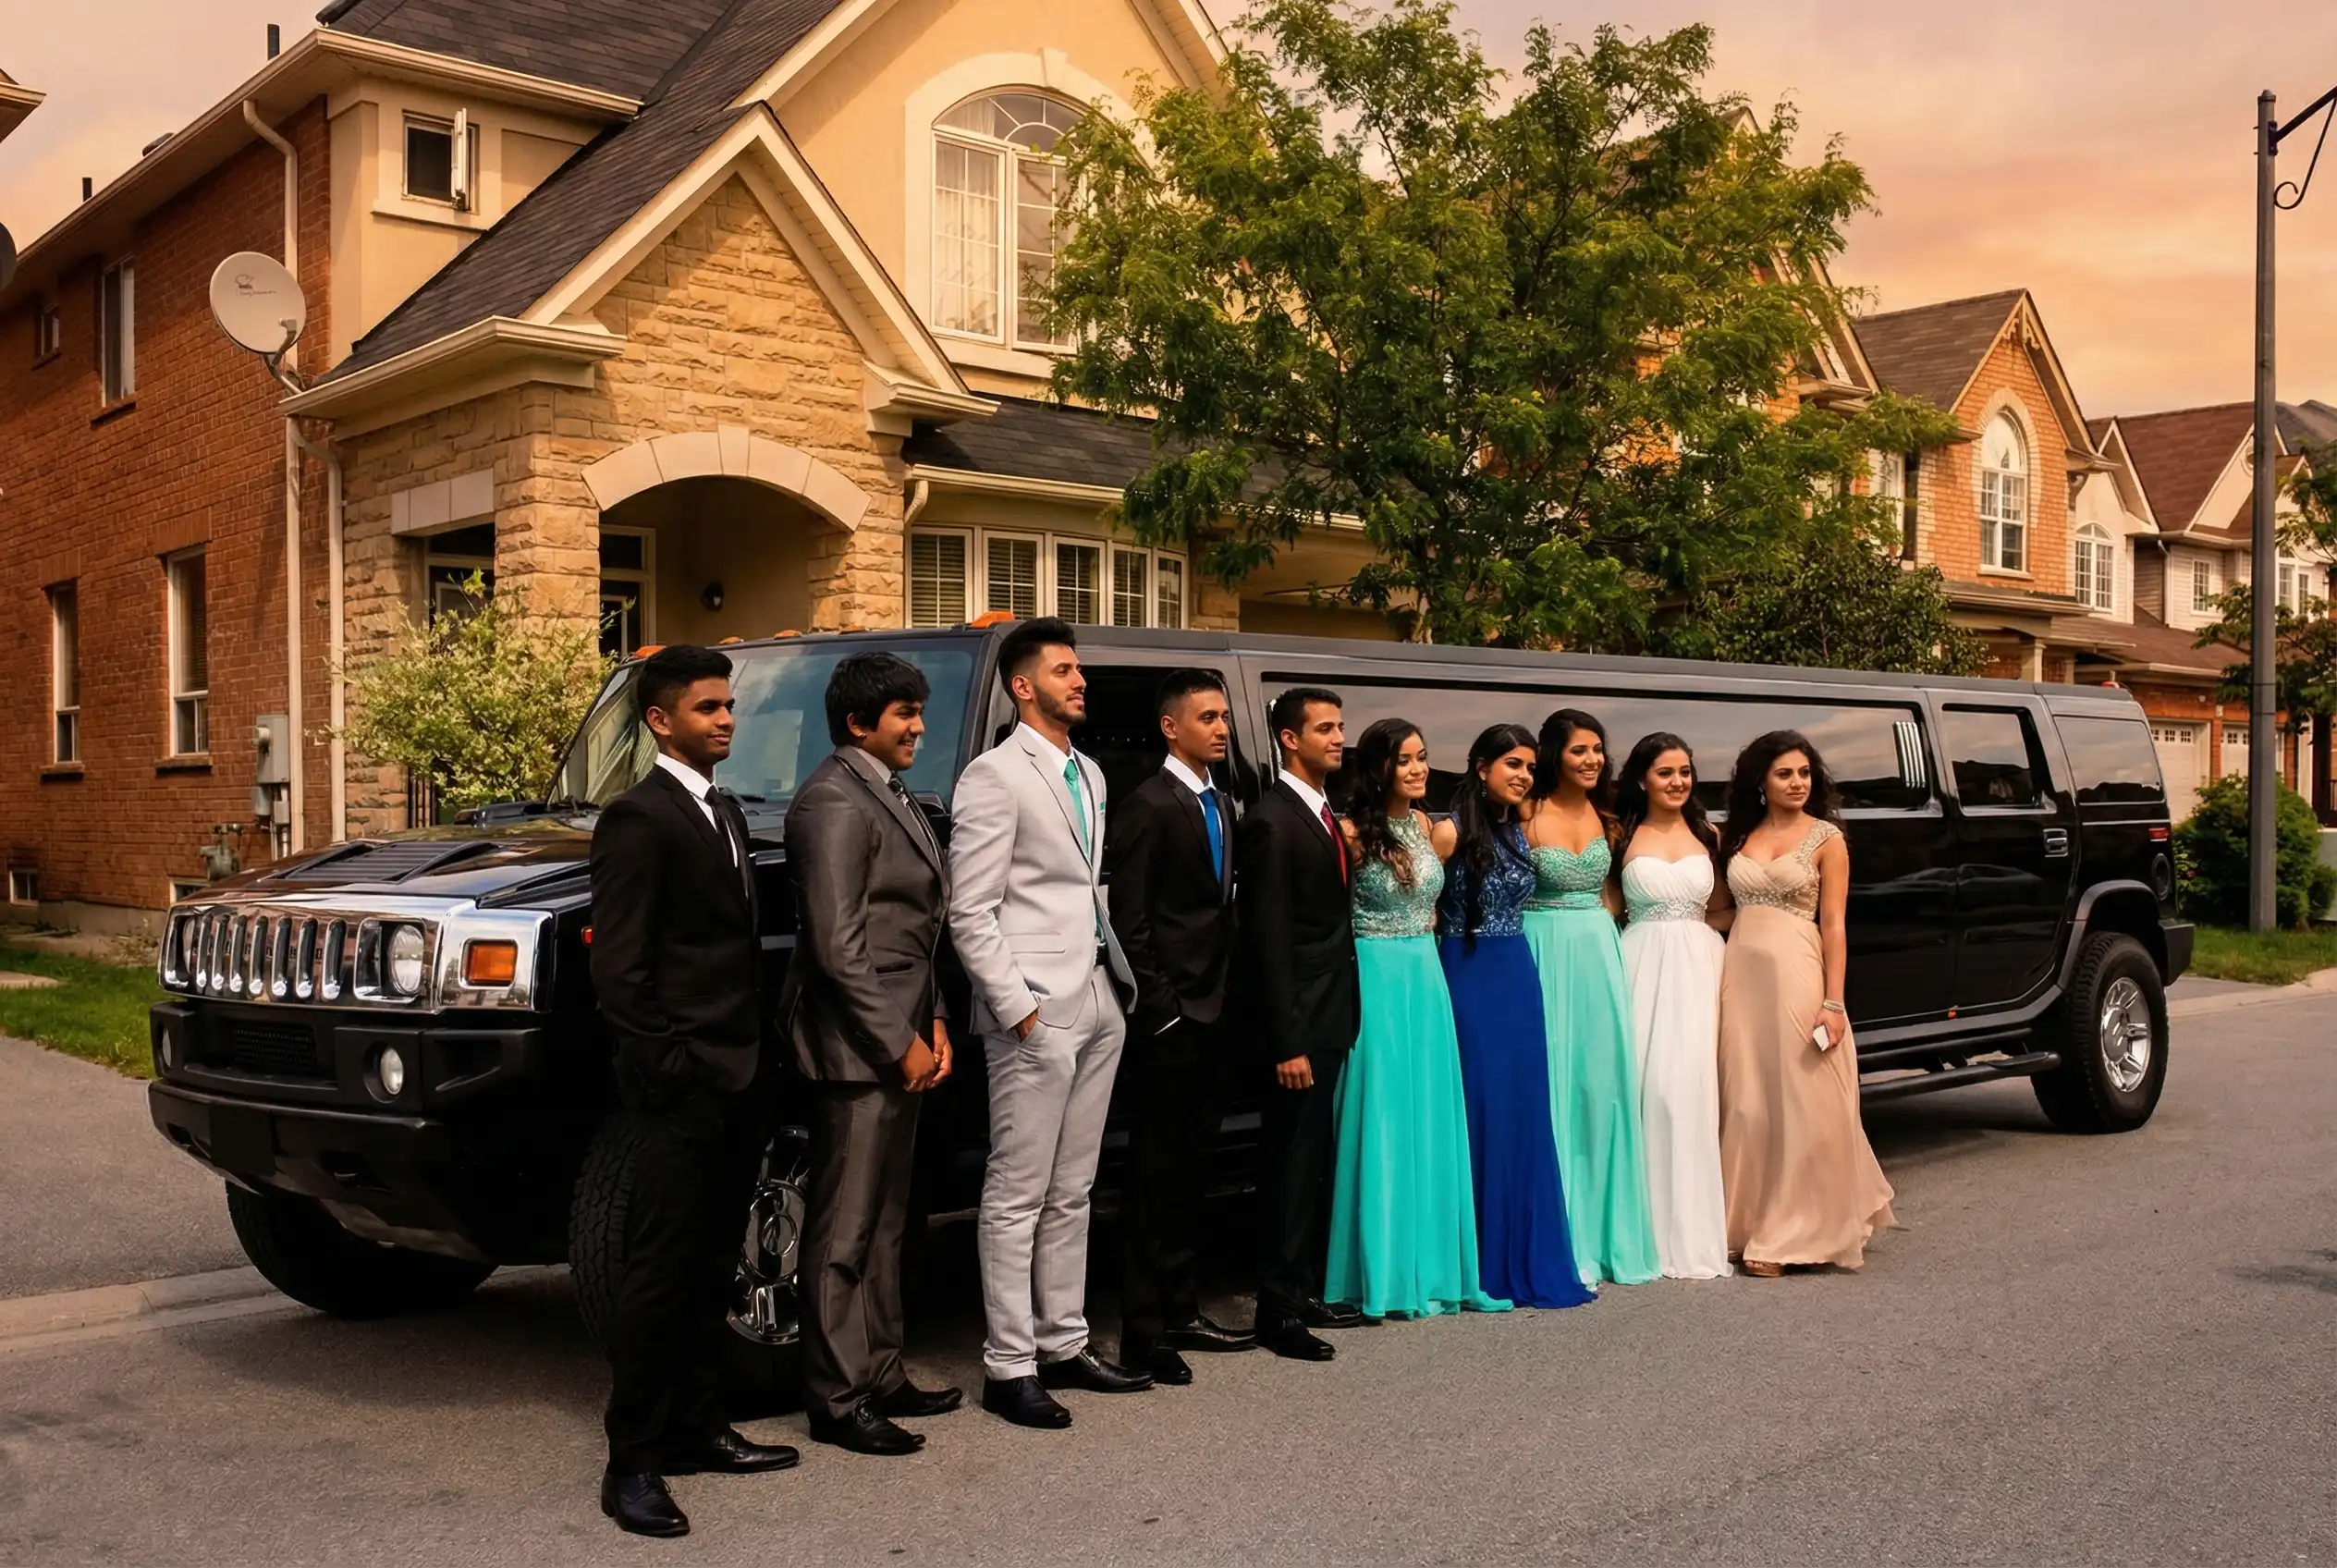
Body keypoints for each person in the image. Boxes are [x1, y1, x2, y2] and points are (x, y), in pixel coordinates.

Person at [587, 644, 799, 1539]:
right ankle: (630, 1460)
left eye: (728, 706)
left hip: (738, 1078)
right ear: (660, 720)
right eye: (706, 707)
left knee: (714, 1264)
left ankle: (697, 1425)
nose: (725, 719)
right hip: (680, 1088)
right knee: (658, 1272)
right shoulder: (637, 819)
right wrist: (674, 1068)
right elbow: (623, 973)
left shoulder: (725, 812)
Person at [948, 618, 1151, 1429]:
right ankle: (1008, 1366)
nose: (1081, 682)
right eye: (1064, 670)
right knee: (1016, 1193)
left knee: (1074, 1190)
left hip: (1100, 996)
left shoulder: (1090, 774)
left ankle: (1065, 1342)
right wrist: (1019, 1009)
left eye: (1080, 670)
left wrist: (1107, 985)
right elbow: (970, 910)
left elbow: (1082, 885)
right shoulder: (994, 776)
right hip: (1035, 1007)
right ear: (1023, 686)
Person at [780, 652, 963, 1458]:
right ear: (858, 723)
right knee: (844, 1232)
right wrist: (899, 1043)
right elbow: (837, 949)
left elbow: (918, 937)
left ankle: (883, 1373)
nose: (920, 727)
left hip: (908, 1037)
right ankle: (837, 1397)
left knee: (891, 1225)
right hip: (857, 1050)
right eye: (905, 715)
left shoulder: (890, 795)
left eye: (919, 712)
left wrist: (939, 1025)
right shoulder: (831, 802)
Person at [1325, 719, 1510, 1320]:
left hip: (1425, 978)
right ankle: (1378, 1270)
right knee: (1381, 1111)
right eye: (1404, 760)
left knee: (1430, 1111)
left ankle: (1435, 1266)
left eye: (1423, 758)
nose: (1418, 769)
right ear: (1377, 767)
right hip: (1374, 977)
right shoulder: (1349, 833)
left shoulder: (1435, 830)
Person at [1103, 669, 1257, 1386]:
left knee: (1196, 1171)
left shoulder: (1220, 799)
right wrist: (1161, 1009)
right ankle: (1144, 1331)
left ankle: (1184, 1305)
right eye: (1208, 717)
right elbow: (1128, 922)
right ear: (1172, 727)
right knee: (1154, 1178)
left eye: (1225, 716)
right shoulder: (1147, 805)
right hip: (1171, 1019)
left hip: (1217, 1012)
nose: (1223, 727)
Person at [1716, 730, 1898, 1276]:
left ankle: (1791, 1232)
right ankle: (1740, 1224)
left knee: (1800, 1098)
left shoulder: (1826, 839)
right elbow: (1725, 912)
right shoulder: (1738, 836)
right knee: (1746, 1101)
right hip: (1741, 974)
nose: (1798, 783)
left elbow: (1836, 925)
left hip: (1798, 969)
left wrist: (1833, 1003)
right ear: (1760, 782)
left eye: (1804, 773)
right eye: (1784, 774)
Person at [1439, 724, 1594, 1312]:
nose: (1524, 775)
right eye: (1512, 764)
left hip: (1517, 974)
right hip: (1466, 971)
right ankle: (1475, 1257)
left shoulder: (1513, 830)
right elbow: (1417, 904)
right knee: (1482, 1104)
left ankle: (1526, 1250)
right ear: (1480, 767)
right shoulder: (1448, 832)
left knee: (1525, 1107)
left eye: (1529, 766)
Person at [1238, 686, 1364, 1359]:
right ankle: (1277, 1312)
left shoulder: (1321, 812)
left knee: (1314, 1160)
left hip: (1331, 1016)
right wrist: (1287, 1042)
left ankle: (1304, 1289)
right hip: (1298, 1028)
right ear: (1290, 739)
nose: (1338, 738)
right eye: (1324, 728)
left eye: (1340, 727)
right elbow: (1268, 941)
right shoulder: (1272, 820)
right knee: (1288, 1165)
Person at [1521, 709, 1659, 1289]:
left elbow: (1616, 893)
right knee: (1551, 1083)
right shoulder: (1524, 812)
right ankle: (1559, 1232)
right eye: (1580, 750)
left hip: (1600, 951)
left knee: (1600, 1087)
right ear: (1555, 754)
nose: (1592, 760)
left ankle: (1608, 1237)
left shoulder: (1608, 818)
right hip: (1541, 947)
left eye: (1598, 750)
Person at [1611, 732, 1732, 1280]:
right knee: (1647, 1088)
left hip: (1700, 965)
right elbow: (1607, 902)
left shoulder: (1709, 834)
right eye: (1666, 772)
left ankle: (1693, 1225)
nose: (1678, 781)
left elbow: (1727, 909)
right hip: (1639, 962)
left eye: (1685, 771)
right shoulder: (1621, 834)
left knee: (1695, 1090)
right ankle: (1642, 1228)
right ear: (1642, 778)